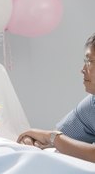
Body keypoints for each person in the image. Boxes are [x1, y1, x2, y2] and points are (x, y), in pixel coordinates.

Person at [17, 33, 95, 163]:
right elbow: (58, 137)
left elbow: (54, 138)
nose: (82, 69)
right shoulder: (92, 104)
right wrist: (33, 140)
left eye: (89, 61)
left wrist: (51, 138)